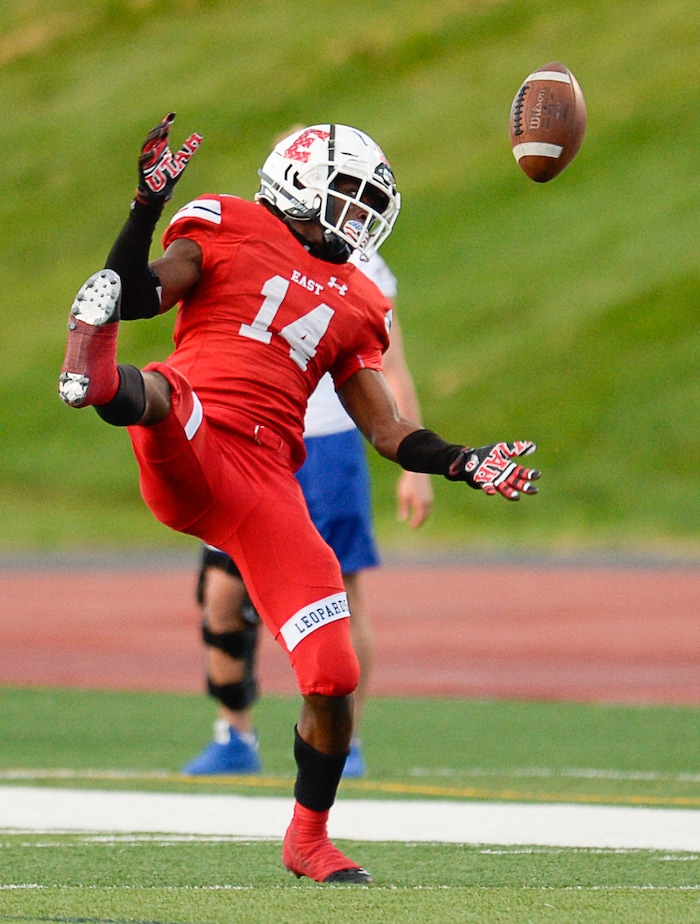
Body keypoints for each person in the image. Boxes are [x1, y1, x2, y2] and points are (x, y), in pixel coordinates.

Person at [58, 115, 540, 884]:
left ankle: (308, 839)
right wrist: (146, 204)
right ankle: (101, 376)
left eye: (367, 201)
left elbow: (385, 428)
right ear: (297, 182)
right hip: (198, 428)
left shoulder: (357, 299)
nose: (358, 216)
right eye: (346, 195)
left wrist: (462, 461)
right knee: (168, 396)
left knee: (332, 673)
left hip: (267, 486)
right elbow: (139, 291)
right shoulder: (228, 223)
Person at [183, 248, 433, 779]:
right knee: (221, 593)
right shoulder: (248, 238)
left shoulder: (361, 261)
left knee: (341, 591)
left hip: (326, 440)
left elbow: (390, 365)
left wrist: (416, 467)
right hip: (248, 433)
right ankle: (235, 732)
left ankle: (346, 738)